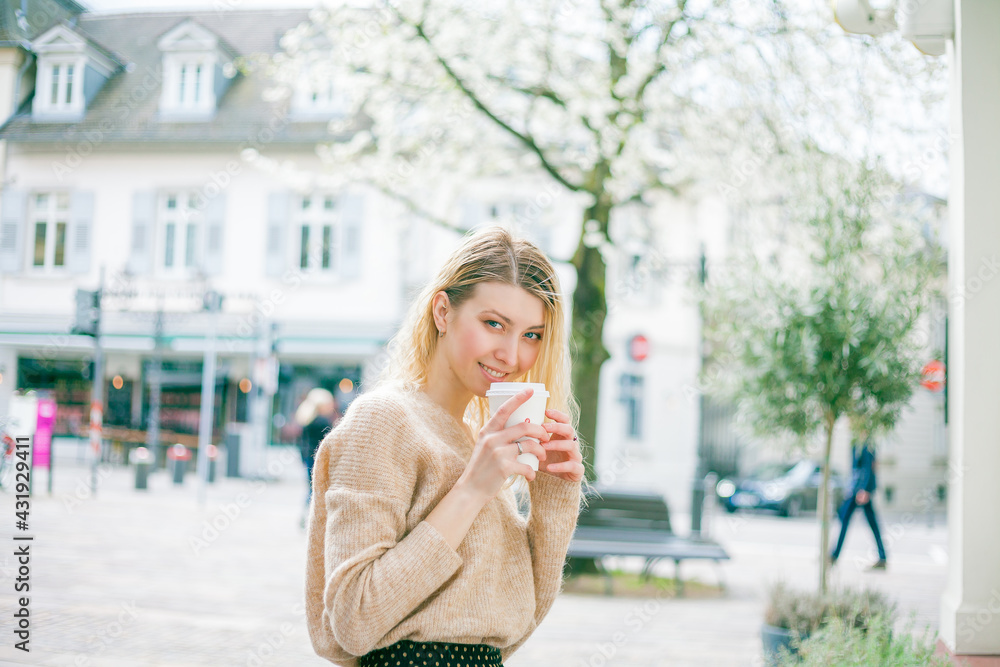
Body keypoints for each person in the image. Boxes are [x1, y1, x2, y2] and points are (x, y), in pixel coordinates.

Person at [304, 226, 585, 667]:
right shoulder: (383, 420)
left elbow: (509, 626)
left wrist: (553, 497)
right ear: (442, 312)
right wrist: (472, 489)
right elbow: (353, 619)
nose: (511, 356)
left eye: (532, 335)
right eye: (494, 324)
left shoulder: (481, 439)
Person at [830, 437, 887, 570]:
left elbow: (869, 467)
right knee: (870, 523)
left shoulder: (866, 442)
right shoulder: (857, 441)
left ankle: (834, 555)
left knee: (845, 519)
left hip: (859, 490)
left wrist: (865, 489)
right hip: (856, 488)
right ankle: (882, 556)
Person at [296, 388, 340, 524]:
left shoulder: (307, 419)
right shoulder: (322, 421)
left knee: (311, 489)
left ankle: (306, 517)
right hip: (317, 459)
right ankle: (310, 518)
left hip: (308, 458)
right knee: (317, 491)